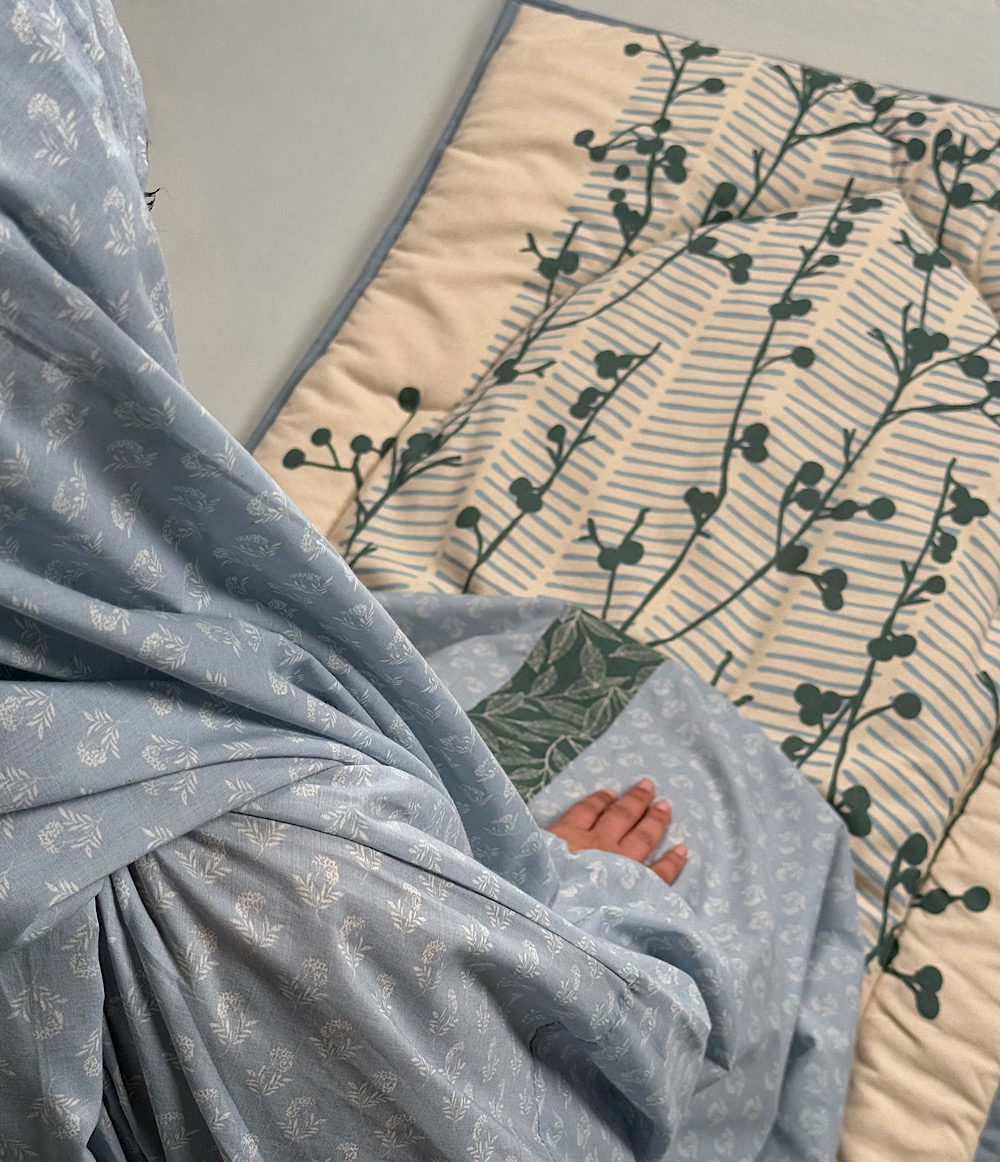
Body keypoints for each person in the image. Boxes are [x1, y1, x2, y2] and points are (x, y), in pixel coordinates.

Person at [0, 4, 862, 1160]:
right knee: (701, 766)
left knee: (549, 660)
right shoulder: (261, 886)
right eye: (128, 205)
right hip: (313, 917)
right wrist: (597, 904)